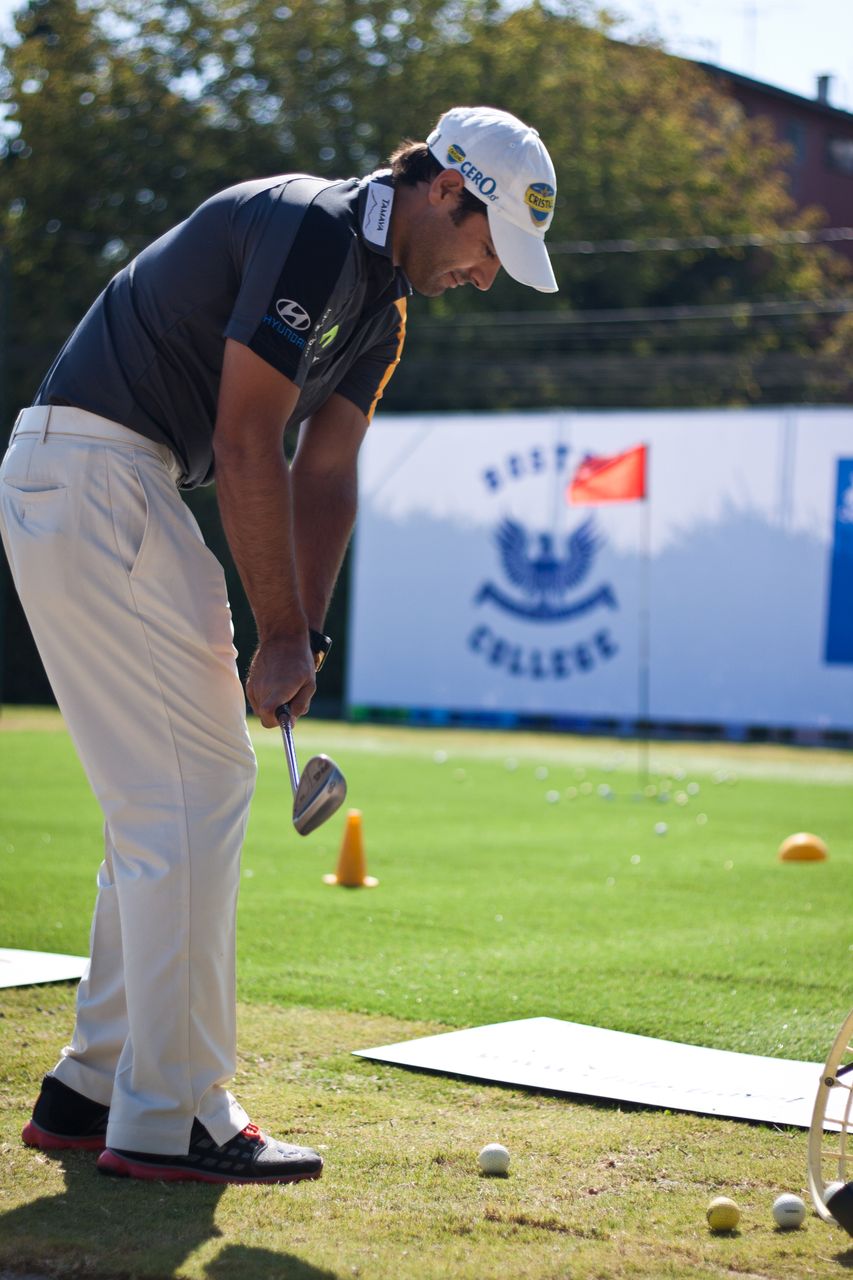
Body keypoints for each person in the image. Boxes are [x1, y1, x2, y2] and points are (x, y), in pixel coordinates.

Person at [0, 105, 558, 1185]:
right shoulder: (314, 229)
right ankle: (178, 1114)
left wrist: (302, 634)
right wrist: (278, 630)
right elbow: (248, 436)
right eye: (491, 244)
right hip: (99, 472)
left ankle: (90, 1081)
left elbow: (325, 467)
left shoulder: (384, 313)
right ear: (448, 192)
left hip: (98, 479)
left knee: (166, 800)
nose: (488, 275)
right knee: (196, 792)